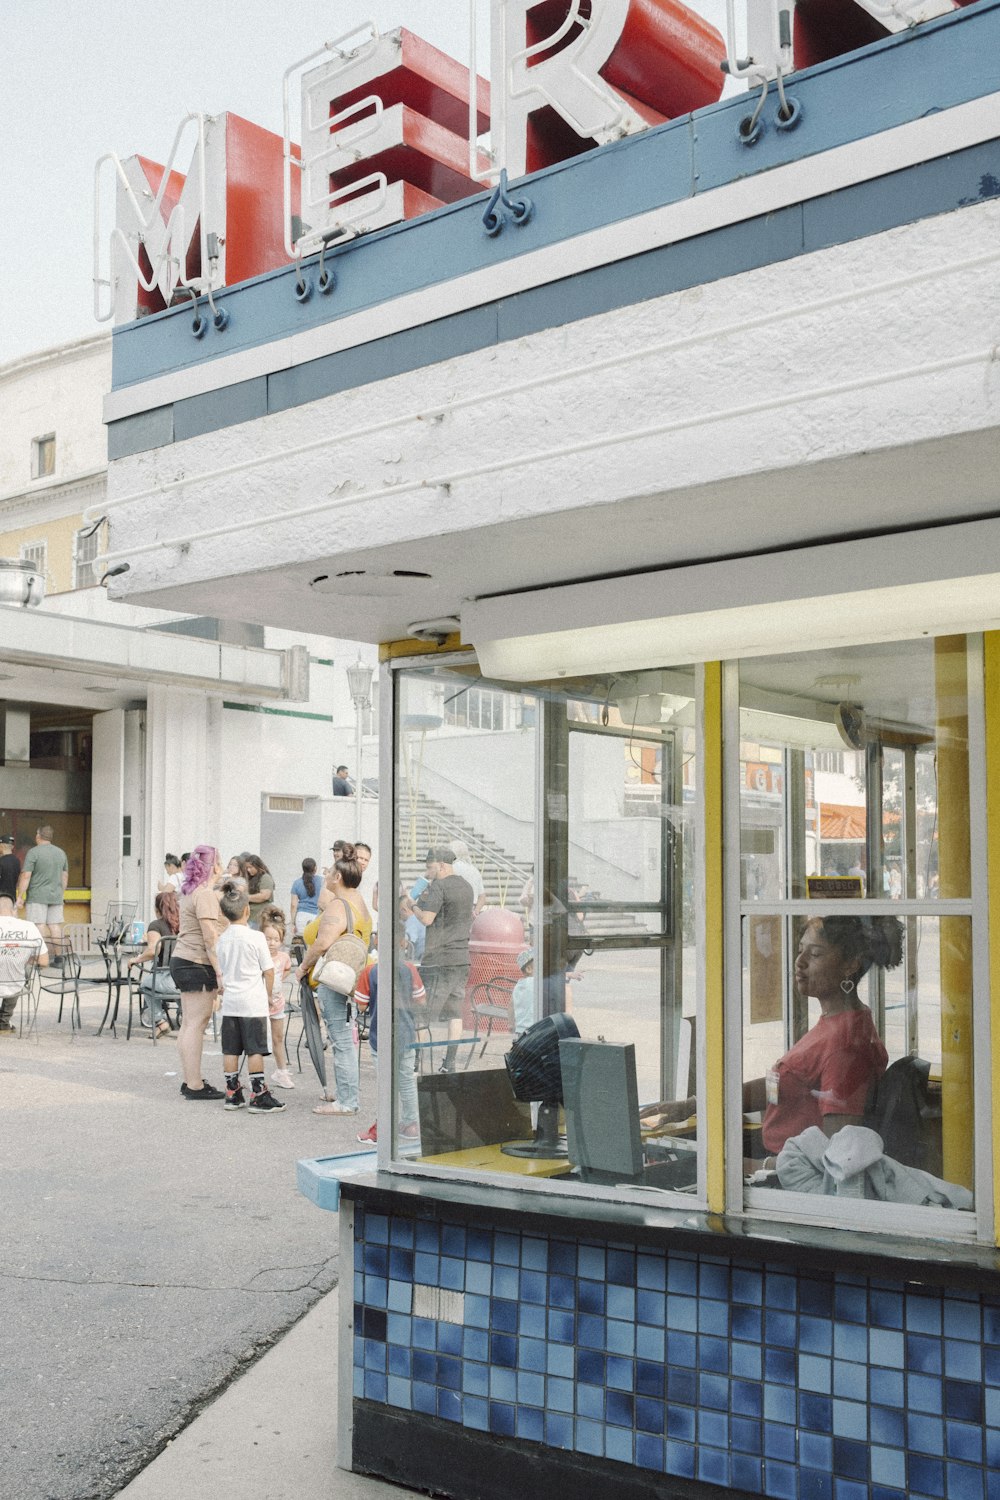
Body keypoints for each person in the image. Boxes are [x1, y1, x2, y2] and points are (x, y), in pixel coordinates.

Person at [645, 914, 903, 1159]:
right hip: (773, 1154)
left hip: (783, 1170)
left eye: (815, 954)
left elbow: (839, 1157)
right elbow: (778, 1088)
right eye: (801, 949)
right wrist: (693, 1105)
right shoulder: (841, 1023)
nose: (799, 962)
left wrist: (750, 1168)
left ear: (850, 965)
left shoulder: (844, 1045)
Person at [295, 842, 372, 1115]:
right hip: (352, 975)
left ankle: (347, 1101)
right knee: (344, 1038)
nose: (324, 877)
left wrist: (303, 966)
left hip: (334, 977)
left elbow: (323, 942)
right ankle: (344, 1093)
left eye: (328, 873)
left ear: (338, 877)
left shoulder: (339, 905)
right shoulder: (359, 901)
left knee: (340, 1039)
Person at [215, 879, 284, 1113]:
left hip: (231, 1002)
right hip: (252, 1003)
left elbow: (223, 970)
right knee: (255, 1049)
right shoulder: (256, 938)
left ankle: (232, 1093)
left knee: (231, 1050)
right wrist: (267, 995)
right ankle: (258, 1094)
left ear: (224, 914)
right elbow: (269, 970)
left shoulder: (222, 940)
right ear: (247, 910)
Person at [403, 847, 474, 1074]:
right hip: (461, 958)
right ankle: (449, 1063)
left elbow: (426, 919)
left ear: (441, 865)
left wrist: (410, 903)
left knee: (423, 1013)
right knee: (455, 1013)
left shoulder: (438, 887)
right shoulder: (466, 886)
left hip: (439, 959)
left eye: (430, 867)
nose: (428, 872)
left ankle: (415, 1063)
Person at [356, 913, 425, 1145]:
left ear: (377, 942)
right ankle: (411, 1123)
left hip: (380, 1036)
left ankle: (382, 1127)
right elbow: (421, 1000)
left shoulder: (370, 972)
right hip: (406, 1034)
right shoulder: (410, 969)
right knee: (406, 1080)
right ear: (403, 943)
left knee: (386, 1083)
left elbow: (361, 1004)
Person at [170, 845, 227, 1101]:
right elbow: (210, 937)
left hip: (183, 959)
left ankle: (190, 1079)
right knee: (196, 1024)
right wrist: (219, 972)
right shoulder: (204, 894)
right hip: (197, 962)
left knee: (189, 1024)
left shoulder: (190, 891)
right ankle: (194, 1084)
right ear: (215, 866)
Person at [127, 890, 181, 1036]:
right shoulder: (186, 924)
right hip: (189, 979)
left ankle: (161, 1022)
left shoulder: (156, 925)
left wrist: (136, 959)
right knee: (177, 990)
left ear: (158, 909)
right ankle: (186, 1016)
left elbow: (153, 950)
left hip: (169, 979)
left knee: (146, 985)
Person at [15, 825, 69, 950]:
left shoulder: (34, 852)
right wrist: (61, 894)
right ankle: (59, 958)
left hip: (37, 896)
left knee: (39, 925)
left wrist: (20, 895)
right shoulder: (61, 852)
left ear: (38, 836)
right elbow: (64, 876)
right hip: (56, 896)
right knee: (55, 926)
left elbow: (26, 875)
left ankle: (41, 958)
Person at [0, 894, 48, 1033]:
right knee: (18, 968)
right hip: (16, 982)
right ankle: (4, 1021)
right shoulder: (29, 926)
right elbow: (43, 962)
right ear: (14, 909)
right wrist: (24, 959)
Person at [262, 914, 294, 1090]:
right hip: (260, 1004)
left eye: (276, 939)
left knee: (278, 1038)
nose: (272, 942)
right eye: (268, 938)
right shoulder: (258, 955)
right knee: (258, 1040)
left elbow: (286, 970)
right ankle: (256, 1076)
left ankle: (281, 1071)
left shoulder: (283, 957)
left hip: (277, 1003)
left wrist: (277, 984)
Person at [450, 840, 486, 916]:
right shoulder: (475, 870)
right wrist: (476, 911)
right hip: (471, 910)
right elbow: (482, 896)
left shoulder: (452, 868)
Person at [289, 858, 322, 937]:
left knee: (301, 944)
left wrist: (293, 923)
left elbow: (293, 905)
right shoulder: (322, 881)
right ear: (315, 868)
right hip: (316, 916)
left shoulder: (296, 883)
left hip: (301, 917)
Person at [244, 856, 275, 927]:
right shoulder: (251, 878)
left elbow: (264, 896)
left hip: (259, 918)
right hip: (249, 917)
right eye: (247, 868)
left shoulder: (265, 877)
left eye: (250, 867)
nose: (248, 870)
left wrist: (246, 897)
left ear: (257, 866)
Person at [0, 835, 20, 902]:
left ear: (2, 846)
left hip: (1, 897)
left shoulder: (1, 861)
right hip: (12, 897)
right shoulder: (17, 861)